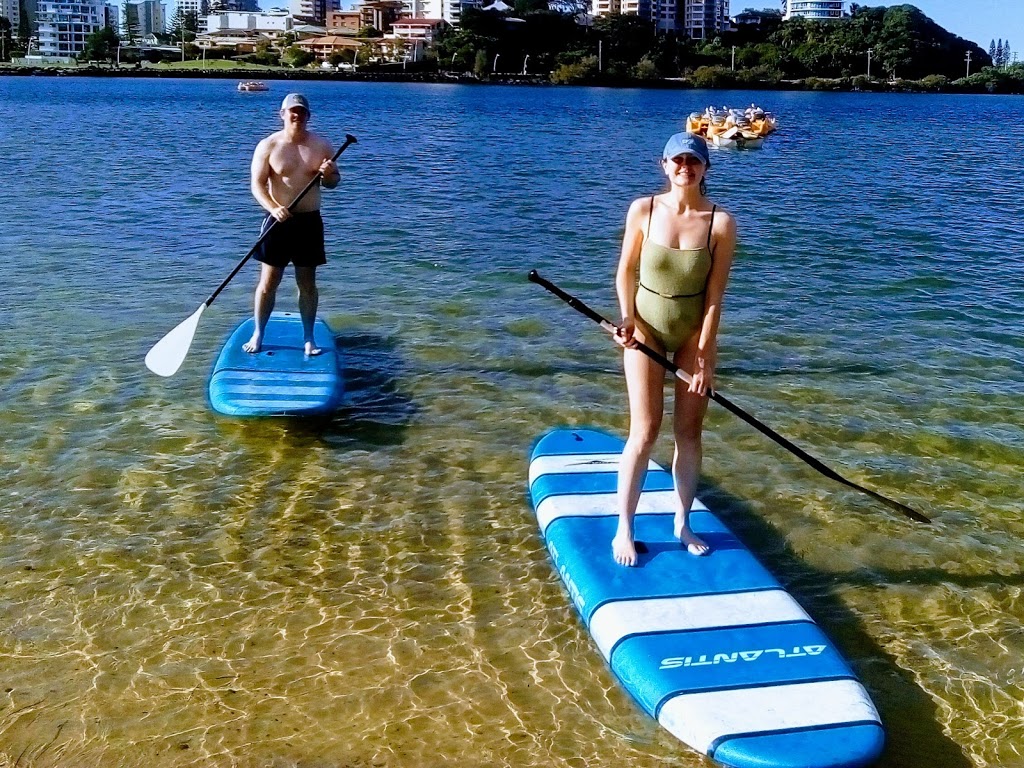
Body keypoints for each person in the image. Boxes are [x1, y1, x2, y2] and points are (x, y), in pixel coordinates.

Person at [612, 132, 737, 567]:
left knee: (688, 433)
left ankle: (682, 522)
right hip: (645, 328)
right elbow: (625, 271)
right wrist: (627, 319)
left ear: (706, 168)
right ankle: (624, 527)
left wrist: (703, 353)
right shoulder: (643, 210)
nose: (686, 167)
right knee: (644, 432)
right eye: (677, 160)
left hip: (691, 336)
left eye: (694, 161)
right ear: (664, 165)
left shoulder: (720, 222)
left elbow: (716, 297)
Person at [243, 93, 341, 356]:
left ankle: (309, 338)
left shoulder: (321, 146)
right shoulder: (268, 145)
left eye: (301, 111)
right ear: (282, 114)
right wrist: (273, 208)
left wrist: (330, 174)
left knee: (307, 283)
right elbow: (256, 185)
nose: (296, 115)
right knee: (268, 282)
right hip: (277, 221)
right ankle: (259, 332)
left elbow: (333, 184)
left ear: (308, 115)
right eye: (292, 111)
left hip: (309, 223)